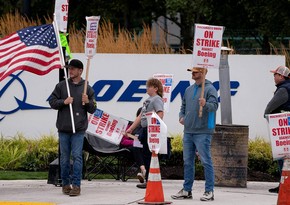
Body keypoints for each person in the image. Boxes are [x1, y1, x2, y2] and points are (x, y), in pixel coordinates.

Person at [49, 59, 97, 196]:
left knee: (77, 156)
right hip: (64, 128)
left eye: (73, 69)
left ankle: (76, 186)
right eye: (69, 69)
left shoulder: (88, 88)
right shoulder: (62, 86)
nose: (70, 71)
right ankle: (65, 184)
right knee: (64, 158)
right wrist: (64, 101)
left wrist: (87, 102)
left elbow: (93, 109)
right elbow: (51, 102)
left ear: (80, 71)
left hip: (79, 129)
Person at [171, 67, 218, 201]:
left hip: (203, 131)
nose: (193, 73)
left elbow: (214, 106)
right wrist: (181, 116)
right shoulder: (188, 90)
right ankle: (187, 190)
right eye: (192, 71)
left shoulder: (210, 89)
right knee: (187, 162)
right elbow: (183, 106)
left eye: (195, 72)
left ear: (202, 73)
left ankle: (209, 191)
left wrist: (206, 104)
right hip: (188, 131)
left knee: (206, 161)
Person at [126, 78, 164, 189]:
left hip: (151, 129)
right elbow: (140, 116)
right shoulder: (147, 100)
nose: (147, 88)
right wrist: (131, 128)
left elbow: (160, 114)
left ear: (155, 88)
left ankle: (150, 180)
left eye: (149, 86)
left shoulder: (156, 99)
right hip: (144, 129)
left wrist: (154, 127)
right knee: (145, 155)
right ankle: (148, 179)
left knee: (149, 155)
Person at [264, 65, 290, 193]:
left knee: (282, 155)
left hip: (282, 127)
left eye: (275, 75)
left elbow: (271, 106)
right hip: (287, 125)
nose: (274, 77)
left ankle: (283, 185)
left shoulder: (283, 89)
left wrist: (266, 115)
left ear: (281, 76)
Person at [120, 107, 146, 183]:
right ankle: (144, 170)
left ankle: (144, 172)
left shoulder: (147, 128)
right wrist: (134, 142)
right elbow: (123, 141)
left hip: (143, 149)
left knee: (146, 150)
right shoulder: (130, 126)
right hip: (131, 150)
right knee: (136, 147)